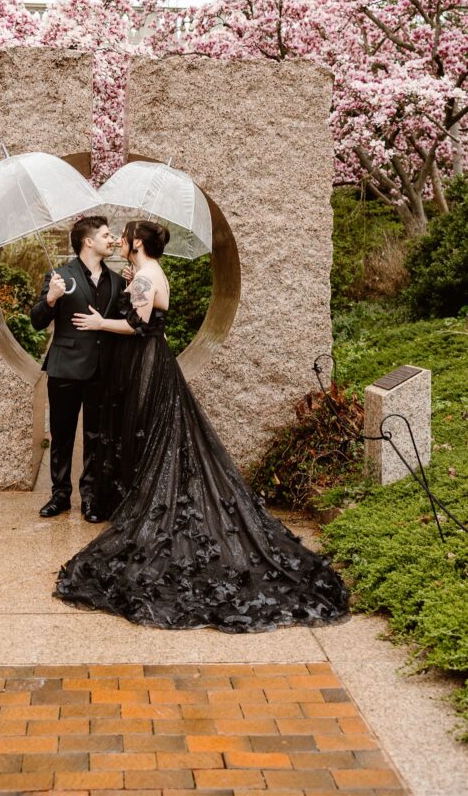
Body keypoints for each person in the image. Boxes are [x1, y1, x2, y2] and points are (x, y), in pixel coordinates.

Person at [54, 220, 349, 632]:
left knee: (150, 434)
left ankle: (149, 501)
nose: (120, 239)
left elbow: (137, 326)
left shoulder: (146, 275)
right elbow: (143, 307)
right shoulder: (144, 273)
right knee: (152, 435)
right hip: (149, 361)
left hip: (146, 363)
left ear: (137, 242)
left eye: (125, 235)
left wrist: (101, 324)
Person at [30, 216, 125, 521]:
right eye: (106, 235)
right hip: (65, 368)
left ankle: (91, 498)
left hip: (102, 370)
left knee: (96, 437)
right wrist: (51, 297)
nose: (112, 240)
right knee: (62, 435)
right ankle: (59, 496)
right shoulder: (60, 275)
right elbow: (37, 320)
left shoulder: (118, 280)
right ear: (88, 241)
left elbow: (126, 321)